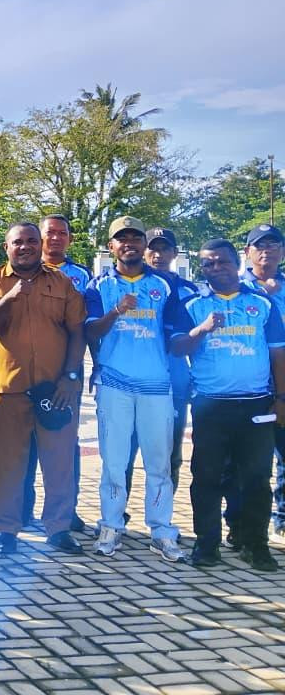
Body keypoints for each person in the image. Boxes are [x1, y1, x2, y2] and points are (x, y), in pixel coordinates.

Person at [171, 238, 285, 571]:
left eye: (222, 261)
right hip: (211, 405)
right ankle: (207, 545)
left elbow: (278, 353)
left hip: (256, 405)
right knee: (207, 477)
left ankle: (254, 545)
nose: (216, 268)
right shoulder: (192, 304)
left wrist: (281, 399)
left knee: (256, 478)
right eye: (208, 264)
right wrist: (202, 329)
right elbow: (177, 348)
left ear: (237, 264)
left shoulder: (262, 303)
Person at [0, 222, 86, 555]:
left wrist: (71, 377)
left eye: (32, 241)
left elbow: (77, 331)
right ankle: (6, 529)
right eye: (18, 242)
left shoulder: (61, 282)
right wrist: (10, 298)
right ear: (6, 247)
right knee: (7, 465)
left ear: (40, 245)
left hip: (55, 390)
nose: (25, 247)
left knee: (59, 463)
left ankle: (58, 528)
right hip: (7, 389)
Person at [84, 216, 187, 562]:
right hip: (115, 383)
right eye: (121, 238)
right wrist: (116, 311)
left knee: (159, 463)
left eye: (135, 238)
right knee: (114, 462)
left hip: (156, 385)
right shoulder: (98, 286)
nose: (129, 243)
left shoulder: (164, 285)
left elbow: (174, 335)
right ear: (111, 246)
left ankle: (161, 530)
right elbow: (90, 332)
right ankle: (111, 526)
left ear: (144, 244)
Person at [25, 214, 94, 532]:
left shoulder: (81, 276)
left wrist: (76, 373)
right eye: (49, 233)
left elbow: (84, 327)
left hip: (67, 368)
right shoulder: (23, 271)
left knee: (66, 442)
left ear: (70, 238)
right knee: (26, 440)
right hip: (27, 368)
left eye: (62, 233)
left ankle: (67, 510)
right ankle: (22, 507)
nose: (55, 238)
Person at [238, 224, 285, 542]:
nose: (266, 250)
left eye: (273, 244)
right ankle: (241, 523)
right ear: (247, 252)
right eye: (259, 245)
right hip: (249, 383)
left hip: (284, 382)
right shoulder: (235, 287)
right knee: (247, 458)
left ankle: (282, 518)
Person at [142, 227, 199, 491]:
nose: (158, 255)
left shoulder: (189, 290)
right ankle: (121, 510)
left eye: (164, 249)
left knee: (171, 452)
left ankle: (163, 508)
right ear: (144, 252)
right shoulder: (134, 285)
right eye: (153, 249)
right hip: (138, 379)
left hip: (175, 379)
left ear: (175, 253)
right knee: (126, 453)